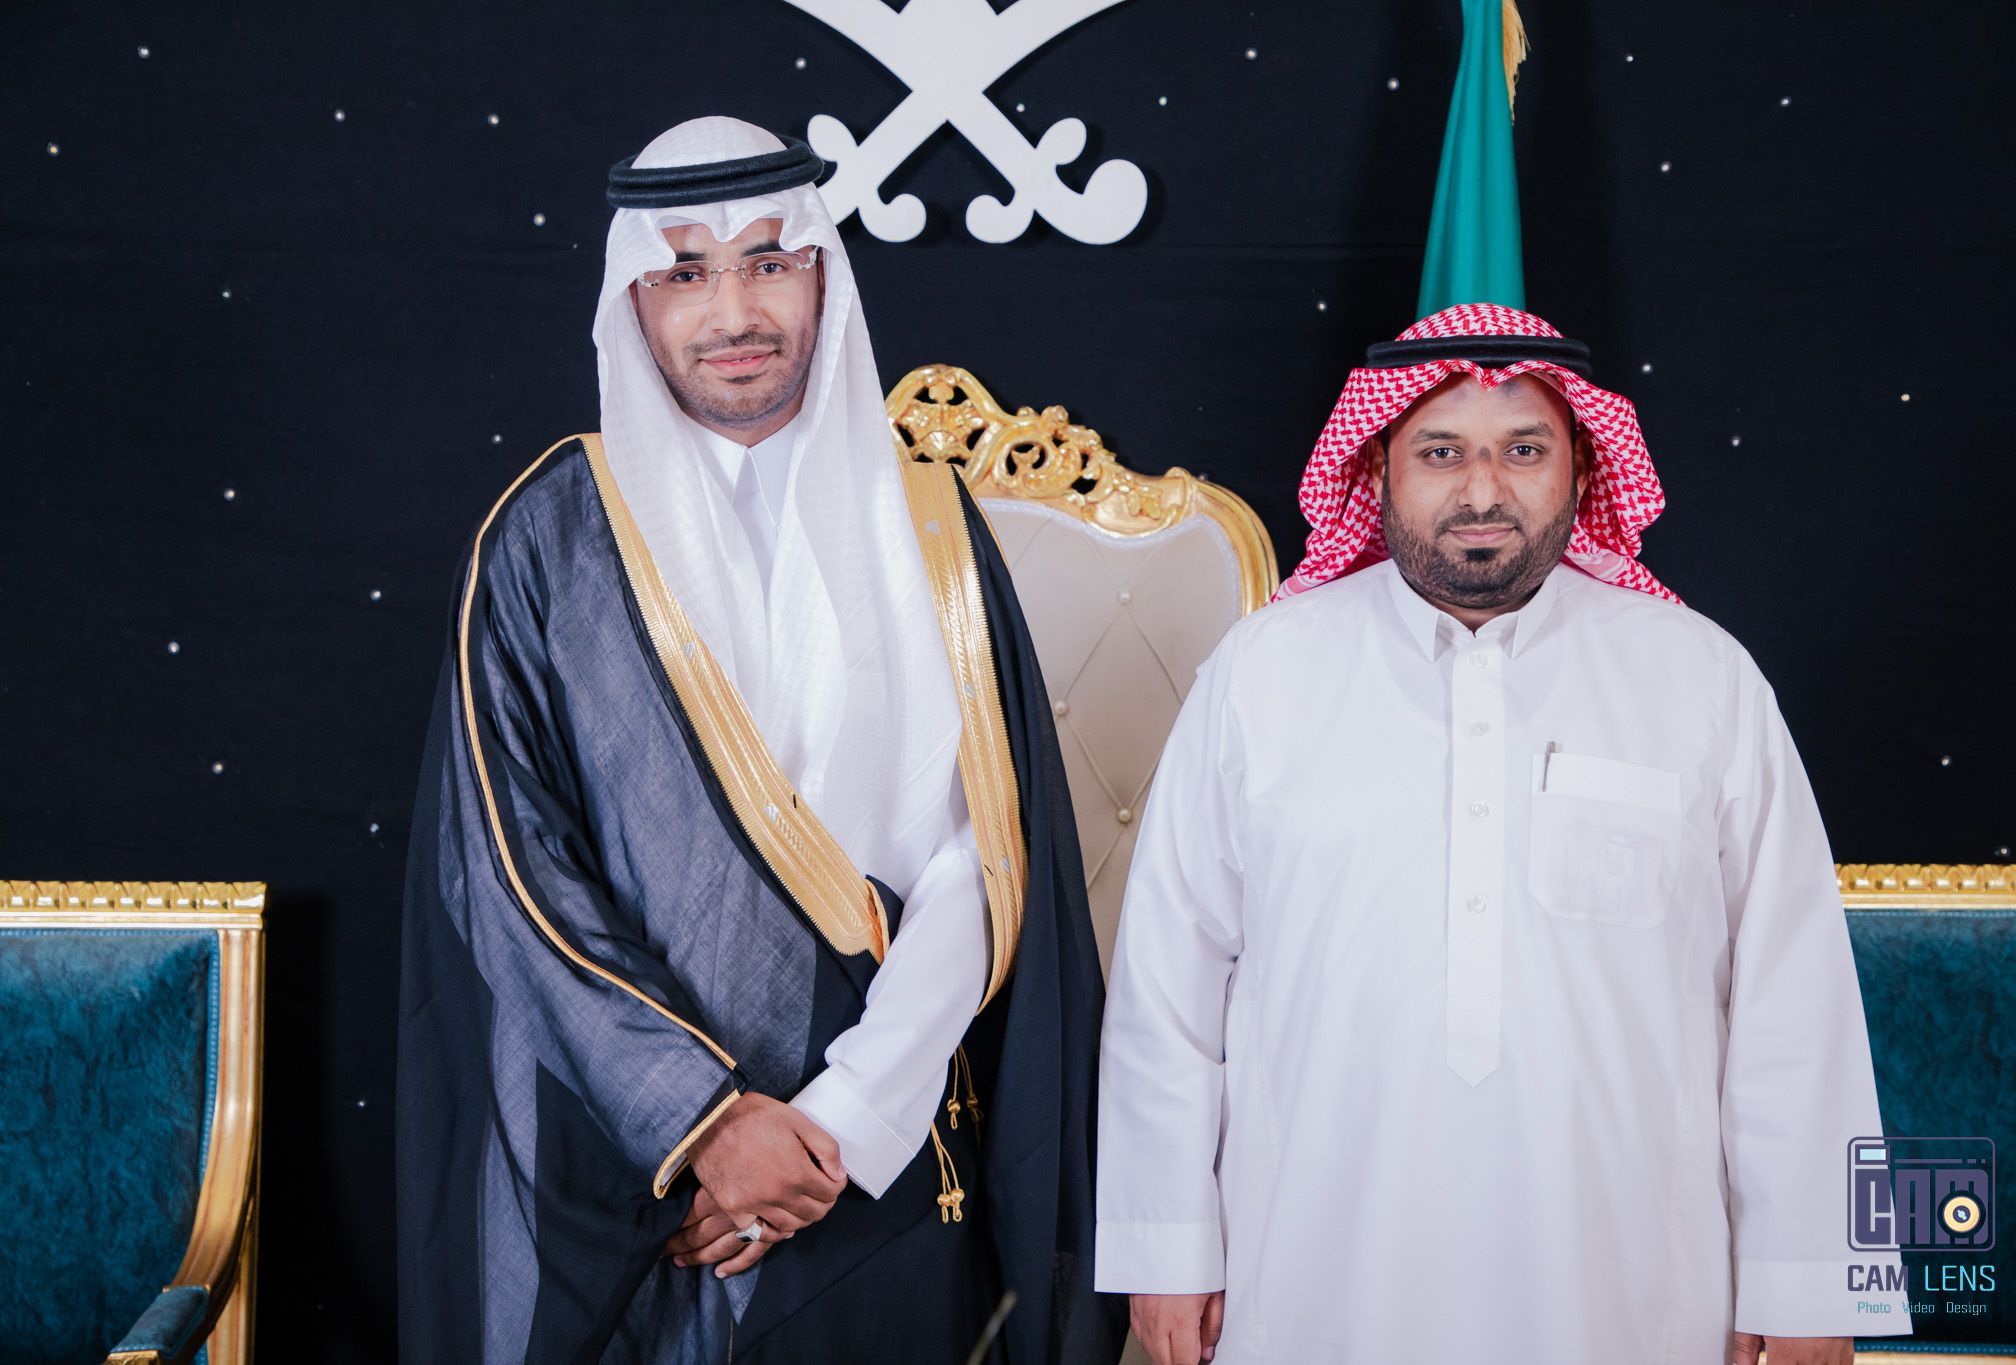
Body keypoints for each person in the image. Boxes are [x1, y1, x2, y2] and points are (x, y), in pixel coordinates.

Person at [396, 116, 1119, 1365]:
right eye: (685, 271)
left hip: (882, 1152)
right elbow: (513, 876)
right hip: (641, 1174)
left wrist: (842, 1117)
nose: (732, 311)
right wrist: (706, 1124)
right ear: (633, 299)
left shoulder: (931, 526)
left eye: (767, 262)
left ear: (823, 279)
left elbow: (985, 862)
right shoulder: (549, 537)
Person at [1094, 304, 1907, 1365]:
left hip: (1633, 1289)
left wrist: (1814, 1283)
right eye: (1441, 452)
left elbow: (1795, 1006)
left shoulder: (1702, 679)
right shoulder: (1259, 676)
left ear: (1582, 467)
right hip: (1311, 1275)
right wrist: (1162, 1245)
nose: (1482, 491)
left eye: (1523, 450)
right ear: (1377, 467)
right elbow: (1167, 988)